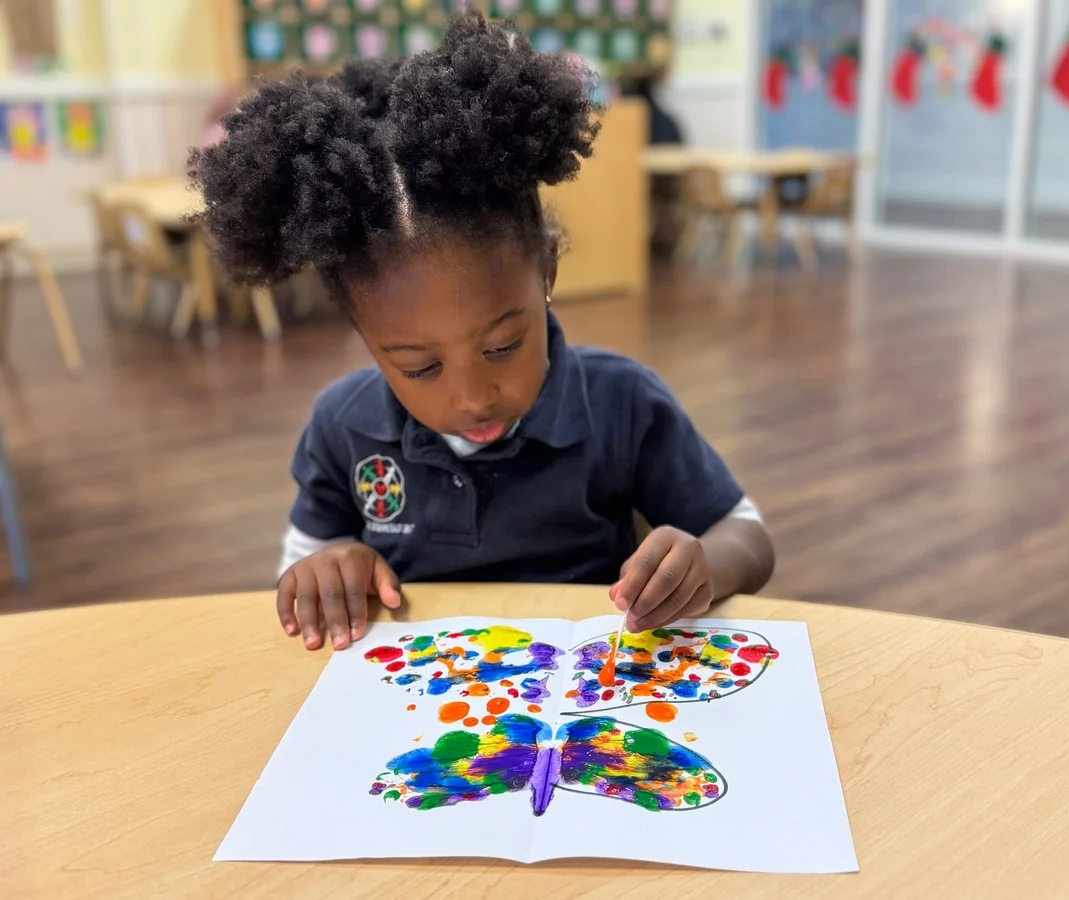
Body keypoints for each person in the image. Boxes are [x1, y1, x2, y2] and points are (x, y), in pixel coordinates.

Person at [190, 11, 774, 653]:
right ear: (360, 330)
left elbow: (747, 537)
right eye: (419, 367)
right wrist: (326, 566)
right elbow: (299, 572)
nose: (471, 396)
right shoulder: (342, 429)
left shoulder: (623, 404)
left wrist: (703, 564)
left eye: (501, 346)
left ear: (547, 268)